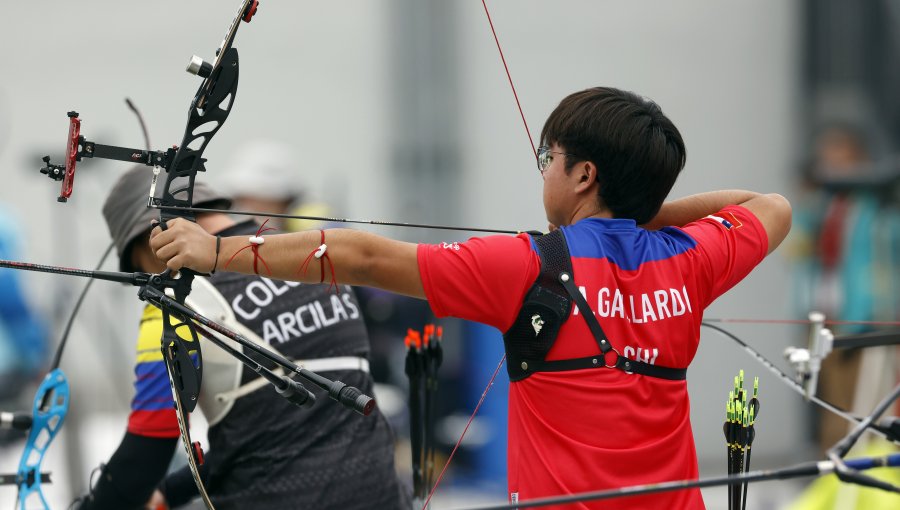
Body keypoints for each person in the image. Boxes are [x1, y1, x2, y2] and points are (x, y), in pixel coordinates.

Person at [149, 86, 792, 509]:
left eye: (551, 157)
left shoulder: (528, 264)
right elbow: (772, 207)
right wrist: (640, 217)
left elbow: (363, 256)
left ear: (585, 176)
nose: (544, 169)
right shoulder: (692, 260)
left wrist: (215, 253)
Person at [76, 167, 409, 510]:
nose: (150, 280)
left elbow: (150, 443)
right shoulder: (312, 257)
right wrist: (170, 491)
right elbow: (280, 432)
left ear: (154, 239)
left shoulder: (174, 303)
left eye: (141, 265)